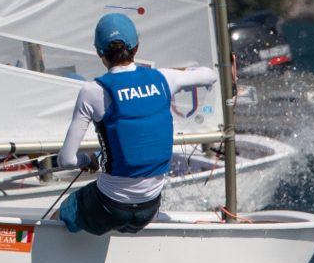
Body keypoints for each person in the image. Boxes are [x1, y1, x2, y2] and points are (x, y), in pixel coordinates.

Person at [53, 12, 220, 236]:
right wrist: (178, 72)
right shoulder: (164, 78)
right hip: (148, 209)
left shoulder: (92, 91)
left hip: (108, 207)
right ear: (136, 47)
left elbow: (66, 160)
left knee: (66, 211)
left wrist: (88, 160)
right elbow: (209, 75)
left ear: (99, 53)